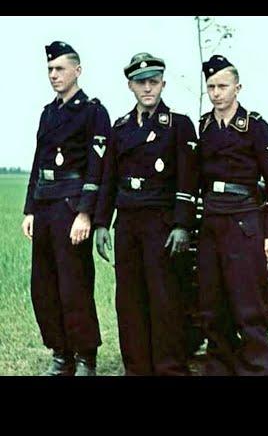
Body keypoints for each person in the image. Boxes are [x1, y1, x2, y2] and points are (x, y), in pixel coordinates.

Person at [93, 53, 198, 376]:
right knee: (129, 301)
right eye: (141, 83)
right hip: (127, 224)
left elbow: (188, 179)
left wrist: (182, 225)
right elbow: (108, 179)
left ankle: (170, 369)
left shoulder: (179, 125)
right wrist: (101, 223)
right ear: (131, 86)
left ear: (163, 84)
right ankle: (136, 368)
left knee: (165, 300)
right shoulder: (120, 128)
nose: (148, 88)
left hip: (161, 224)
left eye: (154, 82)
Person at [21, 41, 110, 376]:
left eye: (59, 69)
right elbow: (37, 162)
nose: (54, 75)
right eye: (49, 70)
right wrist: (30, 209)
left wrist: (85, 213)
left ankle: (86, 356)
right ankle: (61, 355)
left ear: (78, 70)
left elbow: (96, 167)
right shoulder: (48, 112)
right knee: (43, 287)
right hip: (45, 207)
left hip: (72, 209)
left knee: (74, 287)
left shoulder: (92, 112)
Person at [197, 55, 268, 376]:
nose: (216, 93)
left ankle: (256, 369)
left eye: (223, 86)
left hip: (244, 221)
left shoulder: (256, 128)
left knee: (247, 305)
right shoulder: (205, 127)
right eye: (211, 87)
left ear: (238, 87)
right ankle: (219, 368)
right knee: (212, 303)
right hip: (212, 222)